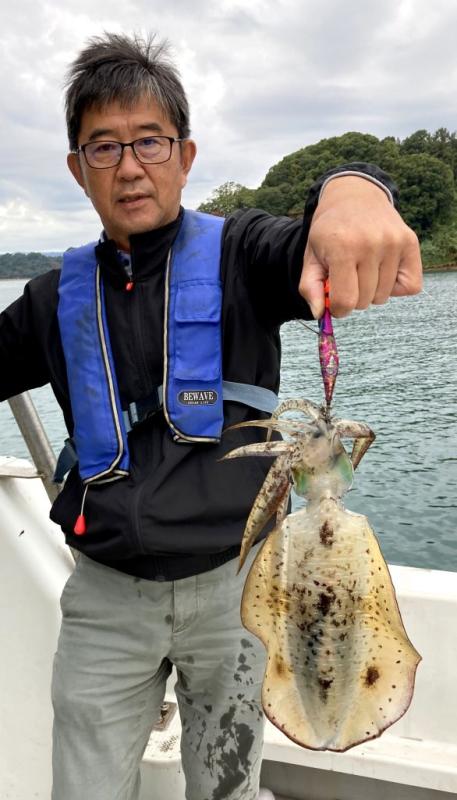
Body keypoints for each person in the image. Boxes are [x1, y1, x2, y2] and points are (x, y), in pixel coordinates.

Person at [0, 32, 422, 800]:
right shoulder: (48, 301)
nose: (130, 166)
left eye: (150, 141)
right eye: (103, 147)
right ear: (77, 168)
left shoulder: (244, 257)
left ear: (184, 156)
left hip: (238, 592)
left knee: (227, 787)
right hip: (105, 601)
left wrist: (354, 189)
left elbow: (311, 236)